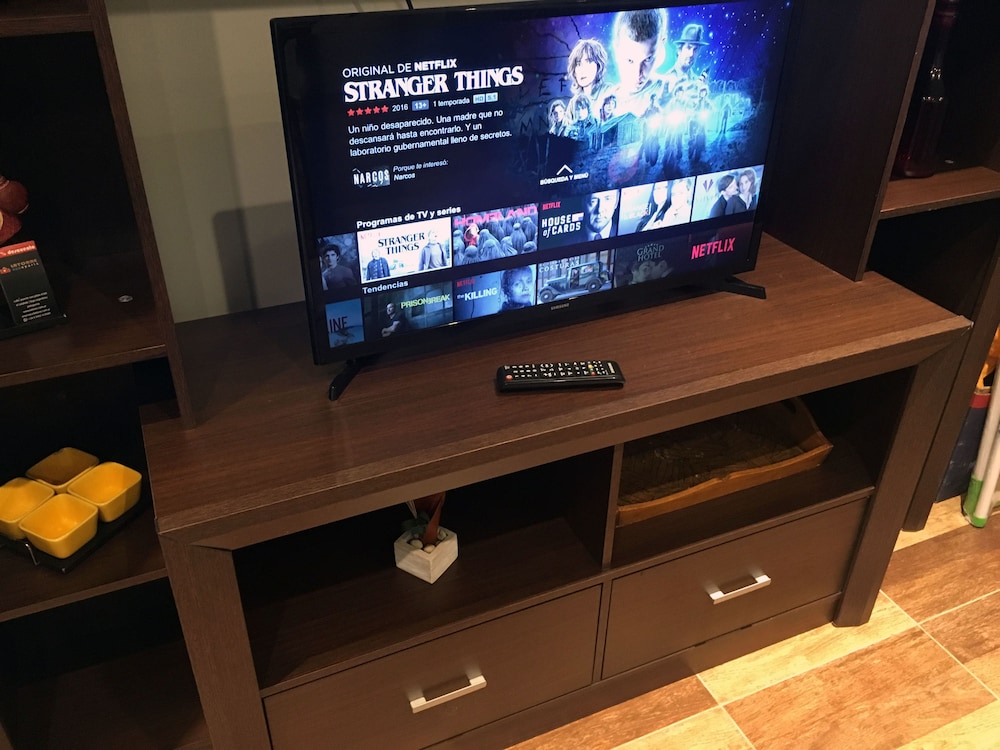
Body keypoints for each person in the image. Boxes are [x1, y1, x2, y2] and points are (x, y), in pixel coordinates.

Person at [609, 8, 668, 118]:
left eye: (647, 59)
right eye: (630, 60)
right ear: (616, 48)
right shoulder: (604, 102)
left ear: (661, 44)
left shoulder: (667, 91)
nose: (638, 74)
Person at [567, 39, 611, 107]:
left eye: (588, 62)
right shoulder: (574, 102)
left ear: (598, 65)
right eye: (578, 64)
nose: (582, 70)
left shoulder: (609, 92)